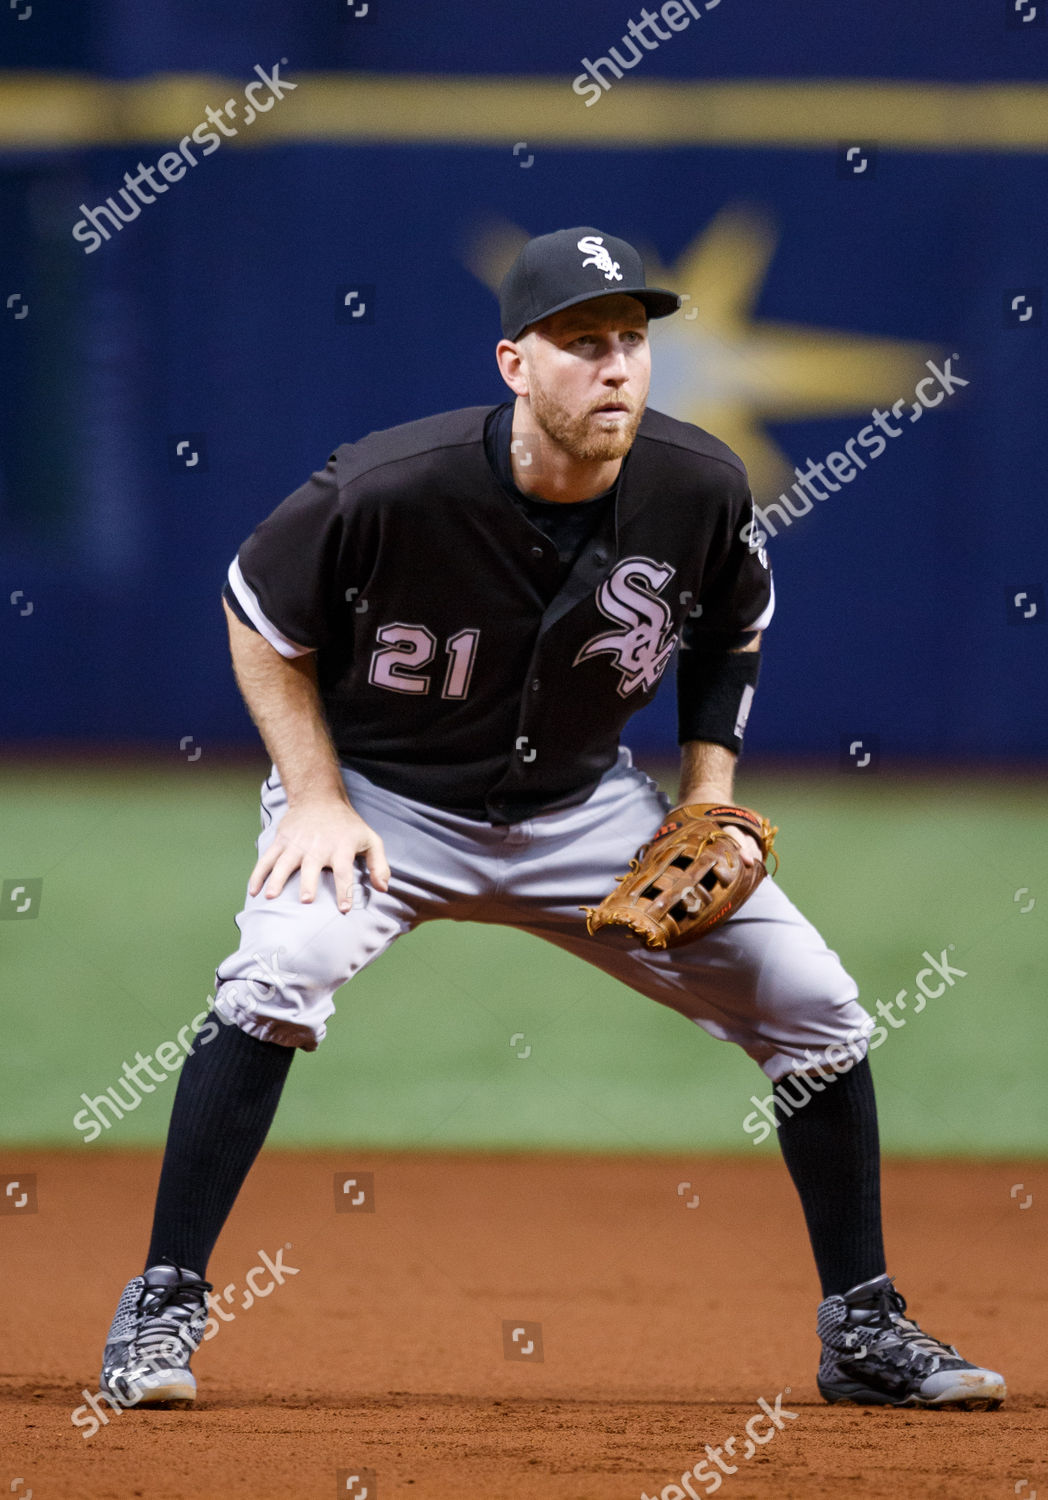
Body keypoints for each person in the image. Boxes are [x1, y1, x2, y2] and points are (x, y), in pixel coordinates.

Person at [99, 226, 1005, 1412]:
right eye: (583, 344)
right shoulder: (388, 483)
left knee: (819, 1009)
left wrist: (709, 796)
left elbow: (734, 622)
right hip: (382, 803)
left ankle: (864, 1330)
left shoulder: (696, 483)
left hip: (585, 812)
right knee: (279, 973)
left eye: (631, 341)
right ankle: (159, 1309)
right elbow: (257, 612)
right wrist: (313, 796)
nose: (617, 366)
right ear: (514, 362)